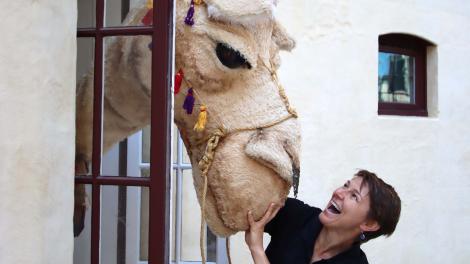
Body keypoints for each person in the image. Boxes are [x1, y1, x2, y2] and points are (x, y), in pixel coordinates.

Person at [245, 170, 401, 264]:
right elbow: (246, 202)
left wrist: (257, 249)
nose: (339, 193)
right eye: (346, 185)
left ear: (369, 223)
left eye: (354, 196)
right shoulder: (296, 215)